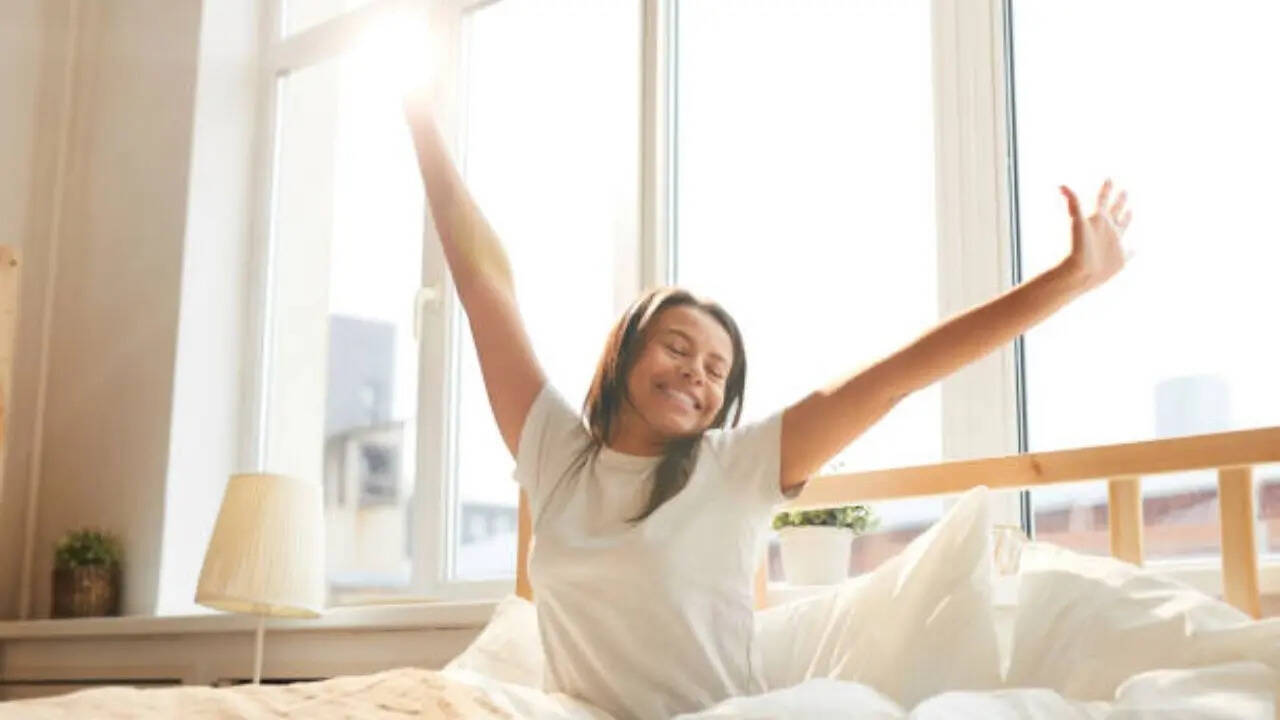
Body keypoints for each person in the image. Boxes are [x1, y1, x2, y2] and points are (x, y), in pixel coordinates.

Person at [402, 91, 1133, 720]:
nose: (695, 374)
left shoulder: (737, 465)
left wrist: (1066, 281)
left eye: (716, 370)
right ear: (624, 353)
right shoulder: (554, 455)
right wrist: (423, 119)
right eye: (676, 347)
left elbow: (896, 378)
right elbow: (483, 281)